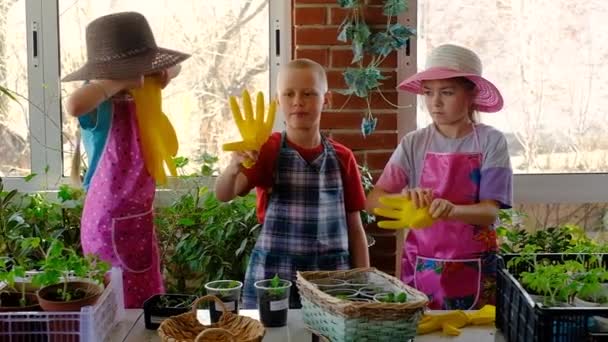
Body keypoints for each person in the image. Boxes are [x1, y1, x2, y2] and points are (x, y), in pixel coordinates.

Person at [366, 44, 513, 310]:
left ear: (472, 94)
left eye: (447, 92)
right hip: (422, 264)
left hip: (476, 265)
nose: (435, 102)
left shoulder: (491, 141)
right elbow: (374, 200)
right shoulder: (414, 143)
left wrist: (451, 210)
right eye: (428, 92)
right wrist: (405, 203)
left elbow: (490, 212)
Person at [214, 58, 370, 309]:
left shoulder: (343, 157)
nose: (298, 101)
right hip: (274, 276)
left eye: (308, 93)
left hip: (331, 278)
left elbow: (355, 228)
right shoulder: (267, 150)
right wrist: (234, 166)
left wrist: (363, 280)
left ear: (326, 99)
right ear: (278, 101)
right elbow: (224, 194)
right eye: (289, 94)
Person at [62, 11, 190, 308]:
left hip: (138, 219)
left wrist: (163, 74)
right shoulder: (99, 103)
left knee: (144, 301)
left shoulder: (141, 96)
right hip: (107, 226)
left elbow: (178, 67)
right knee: (115, 305)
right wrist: (115, 83)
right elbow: (73, 104)